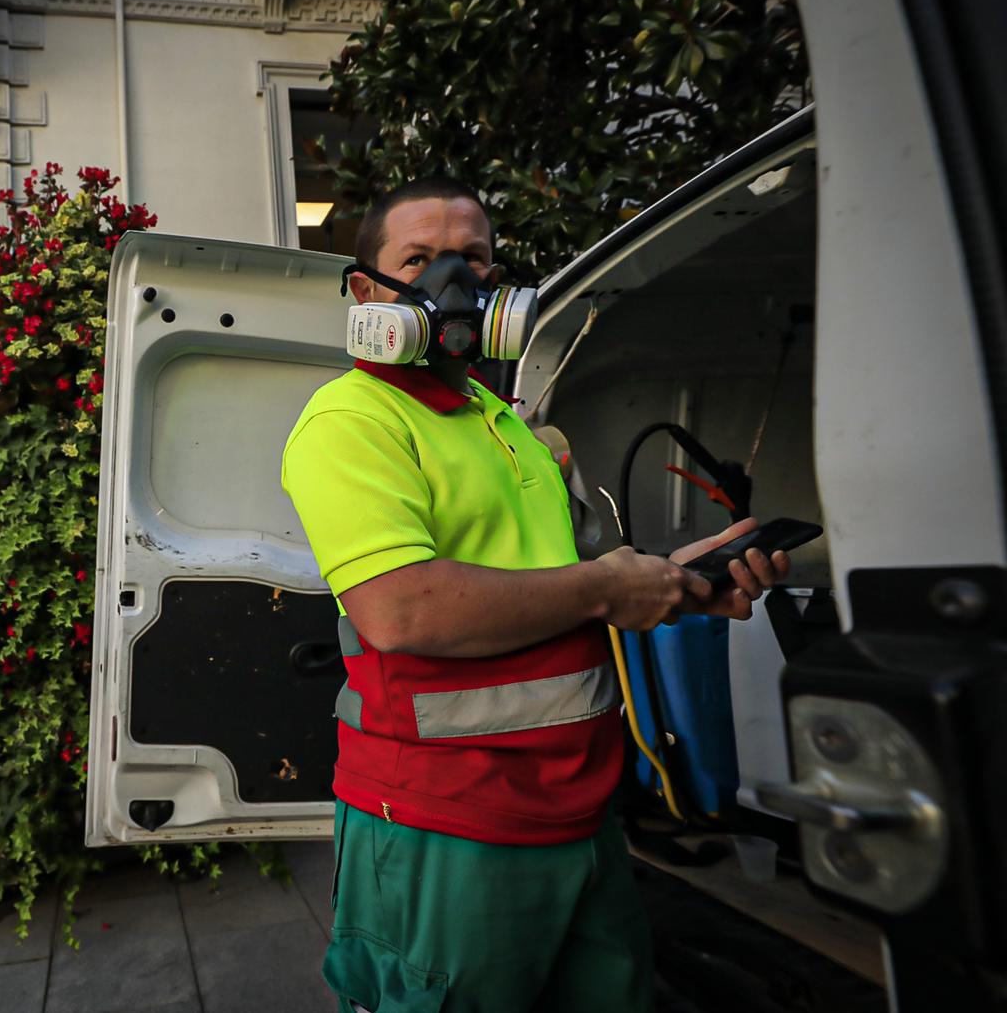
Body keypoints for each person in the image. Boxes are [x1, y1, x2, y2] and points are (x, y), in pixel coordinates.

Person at [280, 178, 792, 1013]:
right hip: (444, 820)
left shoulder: (504, 420)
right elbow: (402, 609)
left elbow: (571, 582)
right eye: (420, 259)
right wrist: (606, 585)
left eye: (473, 258)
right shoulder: (352, 421)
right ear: (366, 293)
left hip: (581, 809)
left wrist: (681, 582)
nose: (453, 280)